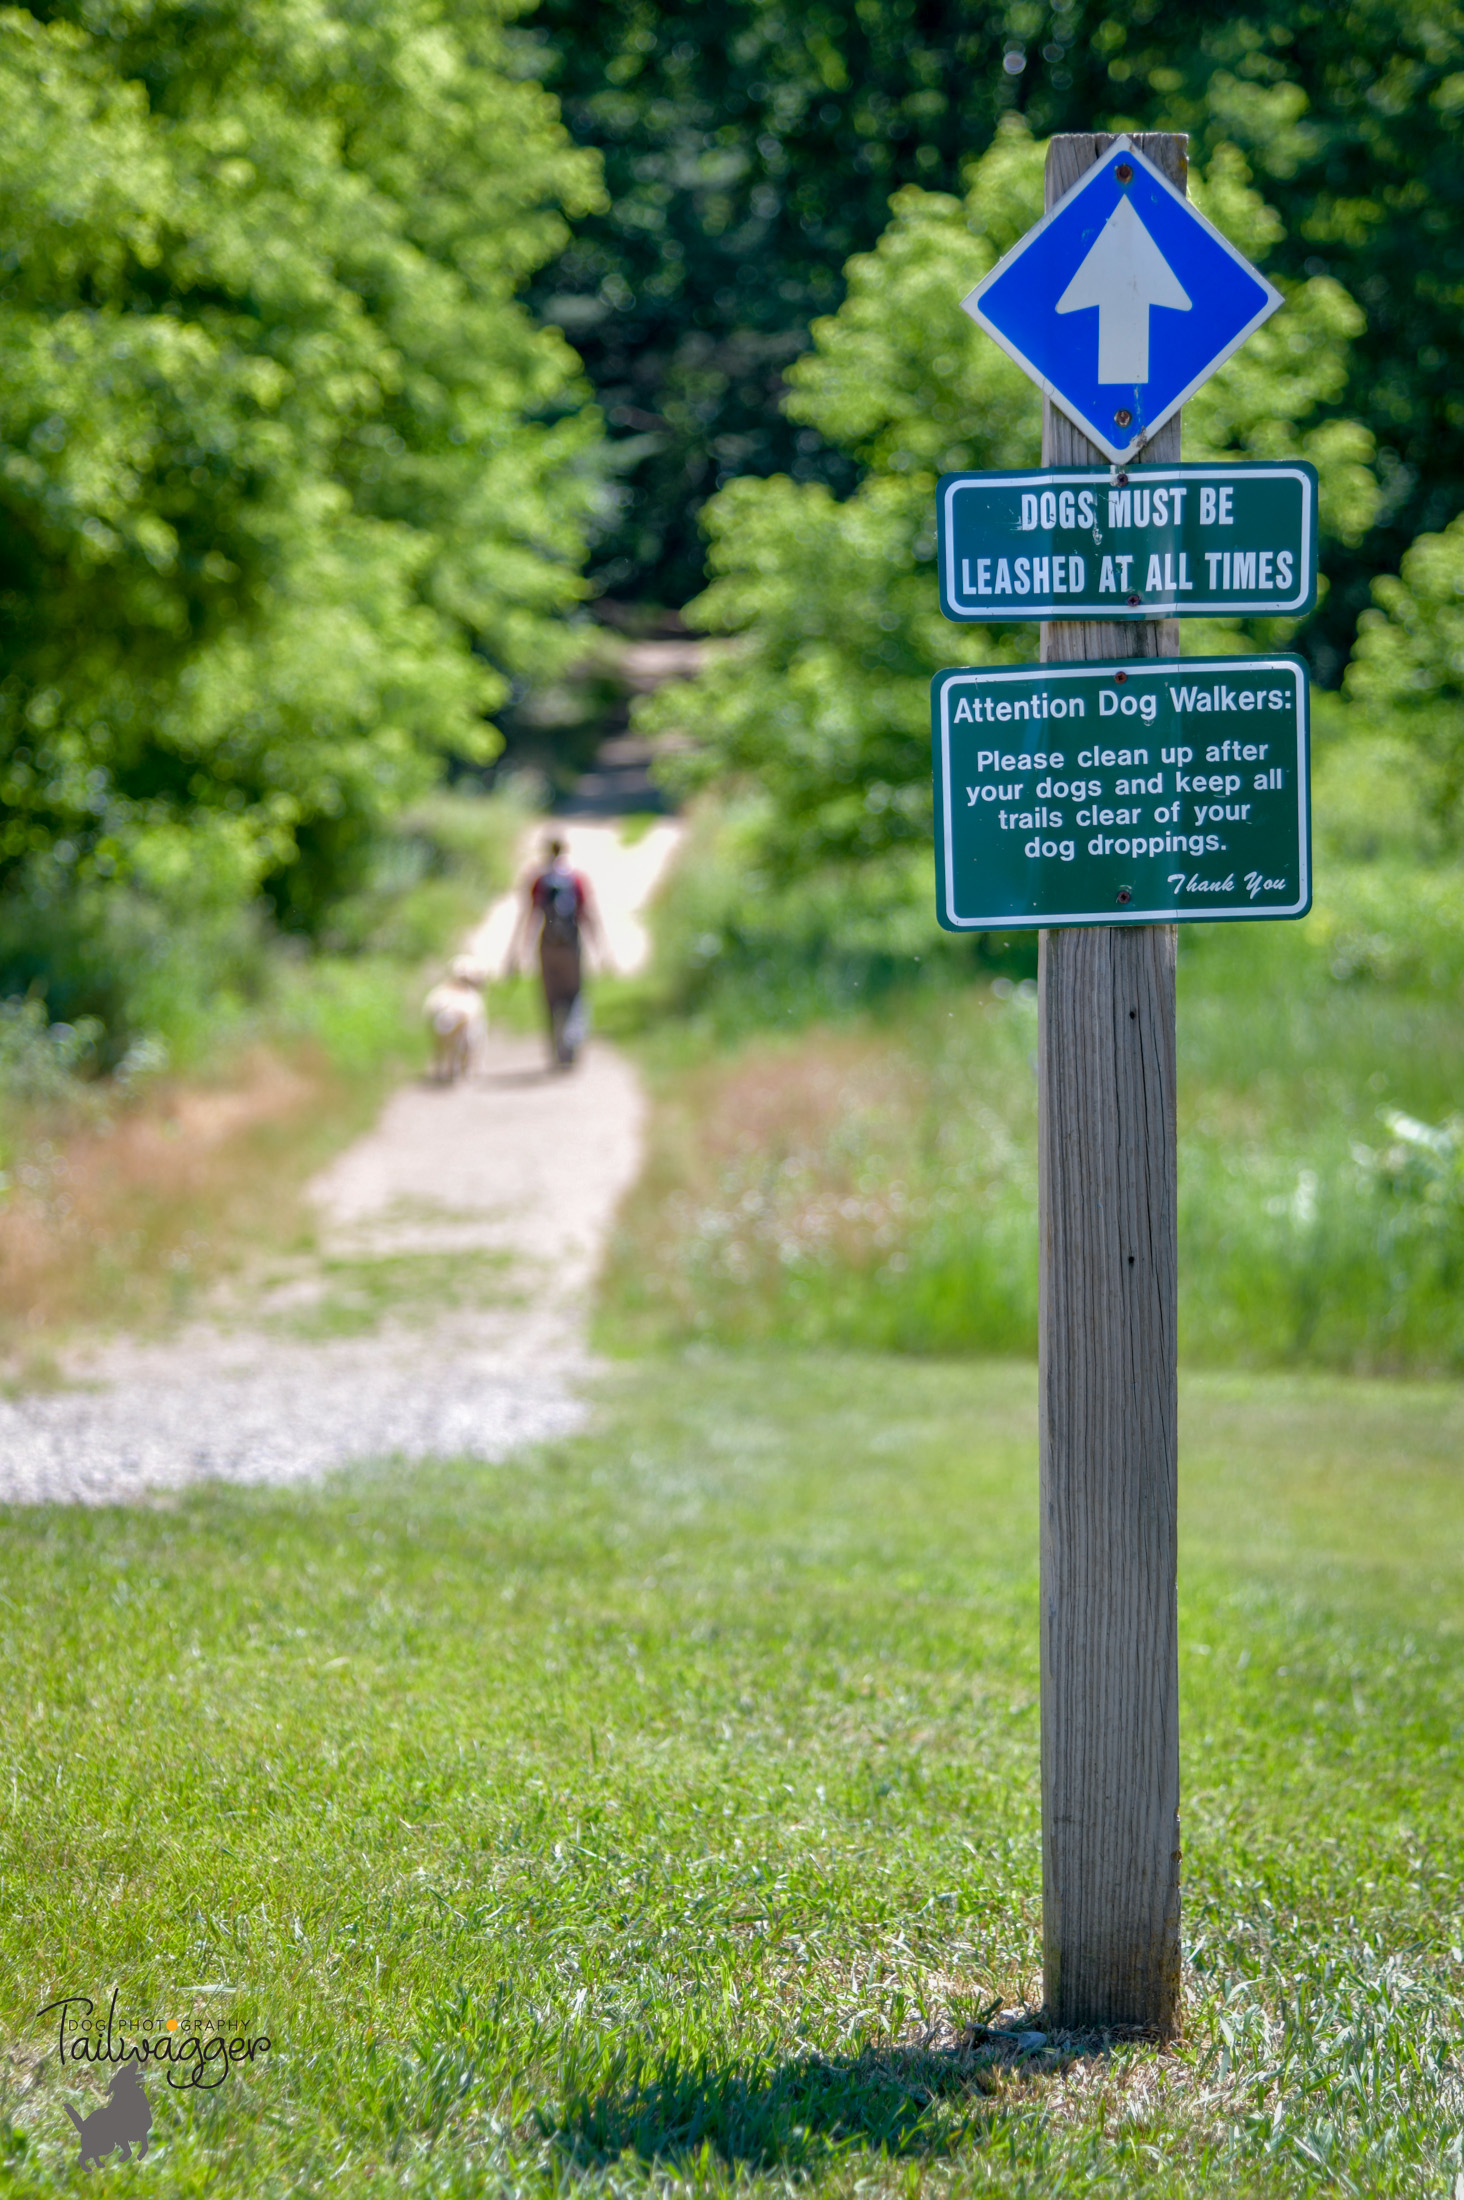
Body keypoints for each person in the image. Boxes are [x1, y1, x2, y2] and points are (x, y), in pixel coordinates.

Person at [508, 836, 605, 1068]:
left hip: (548, 945)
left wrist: (516, 952)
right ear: (565, 851)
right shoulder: (576, 879)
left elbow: (528, 917)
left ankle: (556, 1048)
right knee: (574, 994)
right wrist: (601, 948)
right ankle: (572, 1039)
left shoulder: (538, 880)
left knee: (550, 997)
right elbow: (588, 914)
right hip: (571, 944)